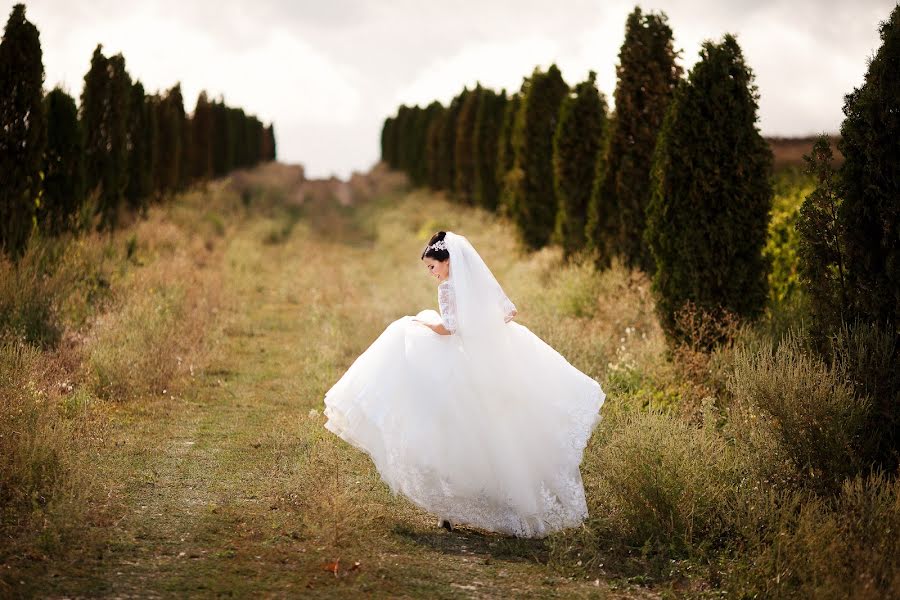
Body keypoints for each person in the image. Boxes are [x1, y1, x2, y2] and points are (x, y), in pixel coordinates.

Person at [323, 230, 605, 538]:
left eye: (432, 267)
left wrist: (421, 324)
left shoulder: (447, 289)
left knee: (450, 422)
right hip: (489, 360)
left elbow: (449, 328)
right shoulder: (475, 285)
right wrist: (481, 331)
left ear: (446, 262)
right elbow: (508, 314)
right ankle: (518, 510)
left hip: (463, 360)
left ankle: (454, 507)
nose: (432, 274)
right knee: (498, 432)